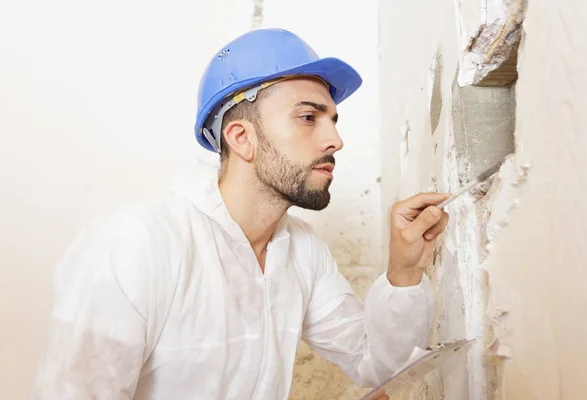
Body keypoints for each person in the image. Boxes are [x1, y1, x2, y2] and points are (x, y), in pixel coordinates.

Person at [31, 28, 450, 399]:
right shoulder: (136, 243)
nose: (335, 140)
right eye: (309, 117)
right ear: (241, 138)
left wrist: (404, 272)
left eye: (333, 120)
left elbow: (375, 364)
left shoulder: (302, 251)